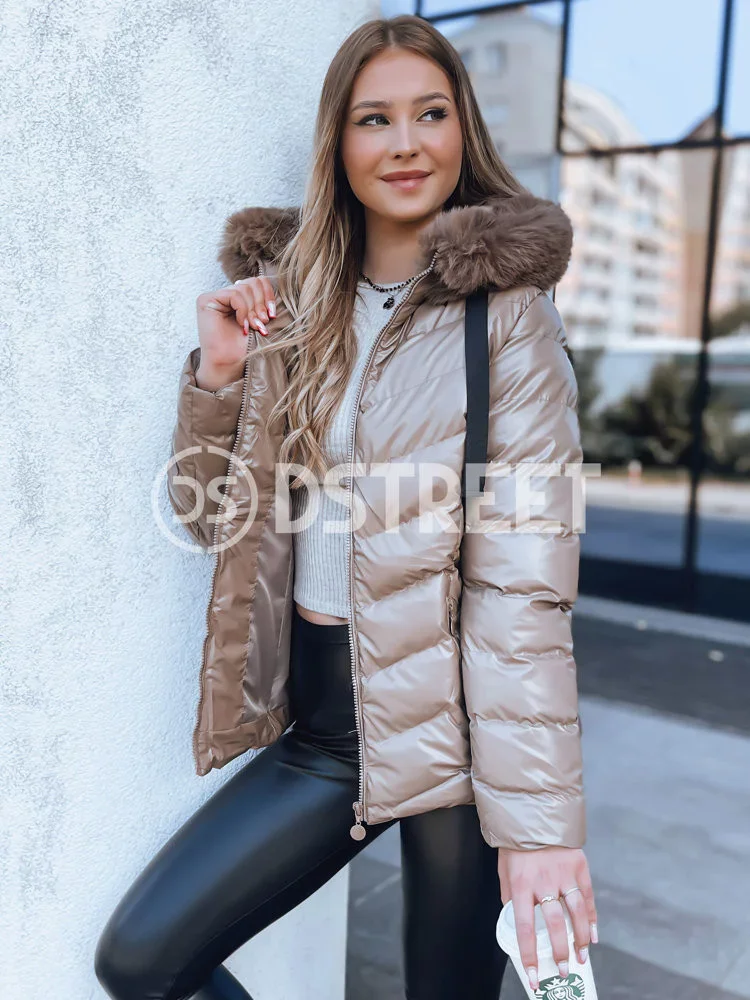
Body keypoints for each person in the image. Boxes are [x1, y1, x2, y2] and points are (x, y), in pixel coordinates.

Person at [94, 14, 598, 1000]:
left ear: (463, 131)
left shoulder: (510, 319)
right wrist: (222, 375)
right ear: (338, 141)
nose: (405, 143)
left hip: (460, 734)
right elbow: (214, 519)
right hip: (331, 727)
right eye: (375, 119)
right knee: (142, 961)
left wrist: (542, 830)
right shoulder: (295, 304)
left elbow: (525, 592)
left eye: (430, 114)